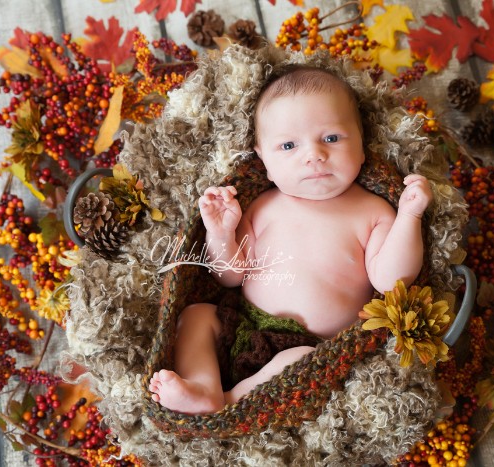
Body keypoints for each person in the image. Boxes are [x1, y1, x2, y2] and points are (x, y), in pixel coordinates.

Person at [148, 65, 433, 415]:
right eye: (288, 145)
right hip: (243, 325)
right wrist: (220, 232)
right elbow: (228, 276)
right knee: (195, 316)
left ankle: (228, 405)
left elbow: (391, 281)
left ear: (362, 146)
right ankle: (203, 386)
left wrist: (410, 216)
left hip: (312, 348)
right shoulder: (262, 206)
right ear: (264, 160)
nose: (313, 155)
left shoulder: (373, 212)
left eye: (331, 138)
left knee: (301, 360)